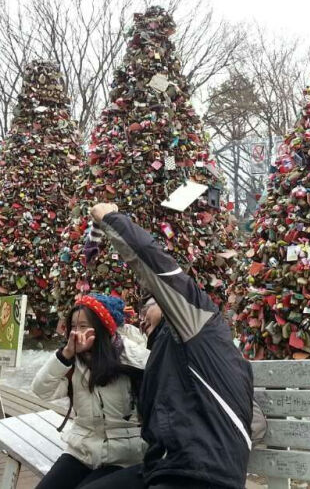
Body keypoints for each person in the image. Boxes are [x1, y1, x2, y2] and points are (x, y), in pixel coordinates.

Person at [81, 203, 256, 489]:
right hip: (166, 465)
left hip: (201, 473)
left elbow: (156, 267)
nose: (140, 315)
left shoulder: (197, 321)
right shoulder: (170, 348)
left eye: (147, 304)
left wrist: (111, 220)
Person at [32, 293, 148, 489]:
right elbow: (41, 390)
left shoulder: (132, 356)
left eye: (83, 326)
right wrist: (66, 354)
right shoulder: (73, 360)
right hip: (83, 451)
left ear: (103, 327)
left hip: (126, 456)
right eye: (73, 327)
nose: (77, 332)